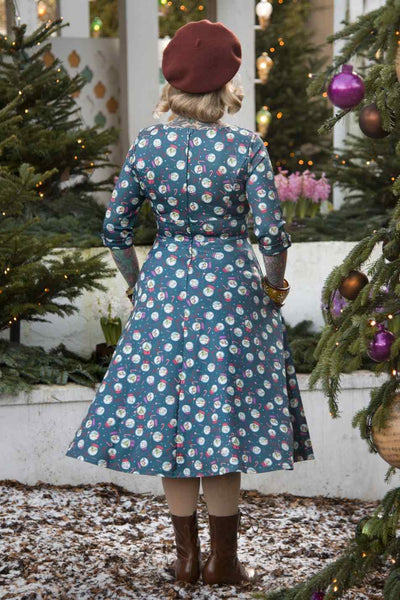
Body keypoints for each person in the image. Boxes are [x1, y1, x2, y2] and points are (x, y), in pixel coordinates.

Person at [65, 19, 315, 587]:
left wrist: (138, 284)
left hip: (166, 290)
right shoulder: (246, 146)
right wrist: (273, 289)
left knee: (169, 421)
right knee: (222, 420)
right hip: (232, 294)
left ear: (173, 83)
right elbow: (273, 235)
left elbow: (114, 231)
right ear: (227, 83)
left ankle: (185, 561)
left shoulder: (149, 145)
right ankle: (225, 563)